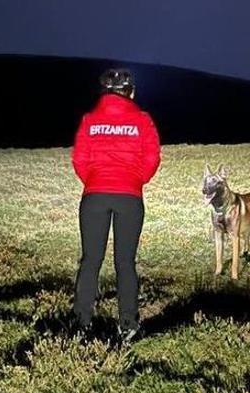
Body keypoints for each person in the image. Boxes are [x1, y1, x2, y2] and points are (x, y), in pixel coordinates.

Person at [71, 68, 161, 343]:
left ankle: (81, 322)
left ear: (104, 93)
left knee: (90, 261)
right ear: (131, 93)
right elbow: (152, 158)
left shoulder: (89, 120)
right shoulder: (143, 120)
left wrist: (95, 180)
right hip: (129, 197)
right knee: (125, 263)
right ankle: (128, 324)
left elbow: (79, 159)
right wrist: (135, 180)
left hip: (94, 196)